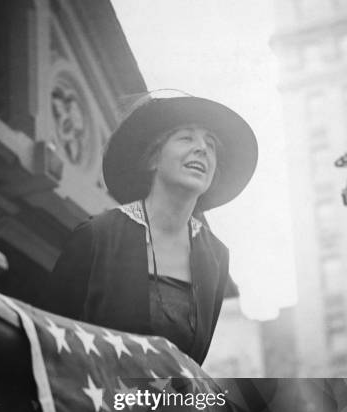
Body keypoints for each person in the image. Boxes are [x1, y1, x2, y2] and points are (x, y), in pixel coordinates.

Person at [44, 91, 258, 365]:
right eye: (185, 138)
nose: (202, 148)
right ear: (152, 160)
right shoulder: (98, 236)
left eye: (211, 144)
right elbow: (50, 337)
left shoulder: (215, 256)